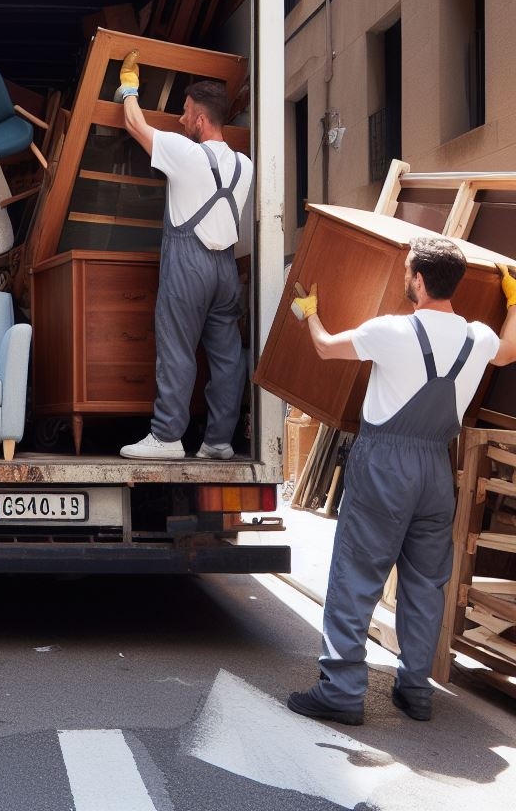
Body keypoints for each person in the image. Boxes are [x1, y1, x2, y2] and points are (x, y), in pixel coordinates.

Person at [287, 239, 516, 725]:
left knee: (356, 573)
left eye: (406, 271)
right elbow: (508, 350)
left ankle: (342, 691)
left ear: (416, 280)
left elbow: (327, 350)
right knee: (425, 582)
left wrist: (309, 312)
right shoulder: (479, 338)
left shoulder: (391, 330)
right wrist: (514, 302)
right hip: (437, 467)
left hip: (385, 465)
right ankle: (415, 689)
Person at [114, 51, 254, 460]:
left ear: (201, 119)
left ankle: (167, 437)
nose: (180, 119)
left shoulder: (186, 153)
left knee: (177, 348)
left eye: (185, 111)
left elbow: (134, 123)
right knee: (227, 357)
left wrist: (129, 86)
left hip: (188, 264)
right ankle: (218, 442)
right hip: (225, 269)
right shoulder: (244, 165)